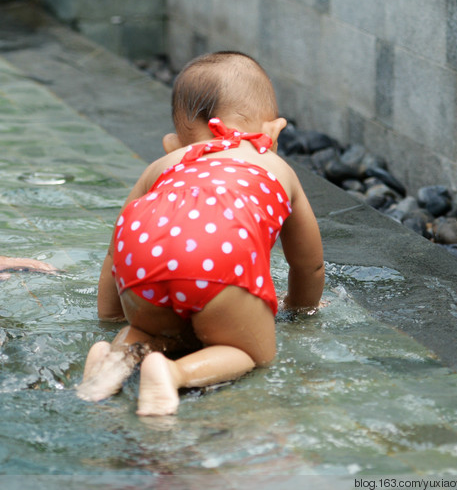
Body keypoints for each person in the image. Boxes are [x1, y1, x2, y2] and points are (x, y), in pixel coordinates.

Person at [77, 51, 324, 415]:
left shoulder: (163, 165)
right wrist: (301, 309)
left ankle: (112, 360)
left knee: (152, 332)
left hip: (142, 265)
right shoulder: (275, 165)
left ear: (173, 144)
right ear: (274, 132)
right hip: (215, 266)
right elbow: (307, 265)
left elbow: (115, 252)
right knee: (252, 352)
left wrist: (113, 315)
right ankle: (173, 373)